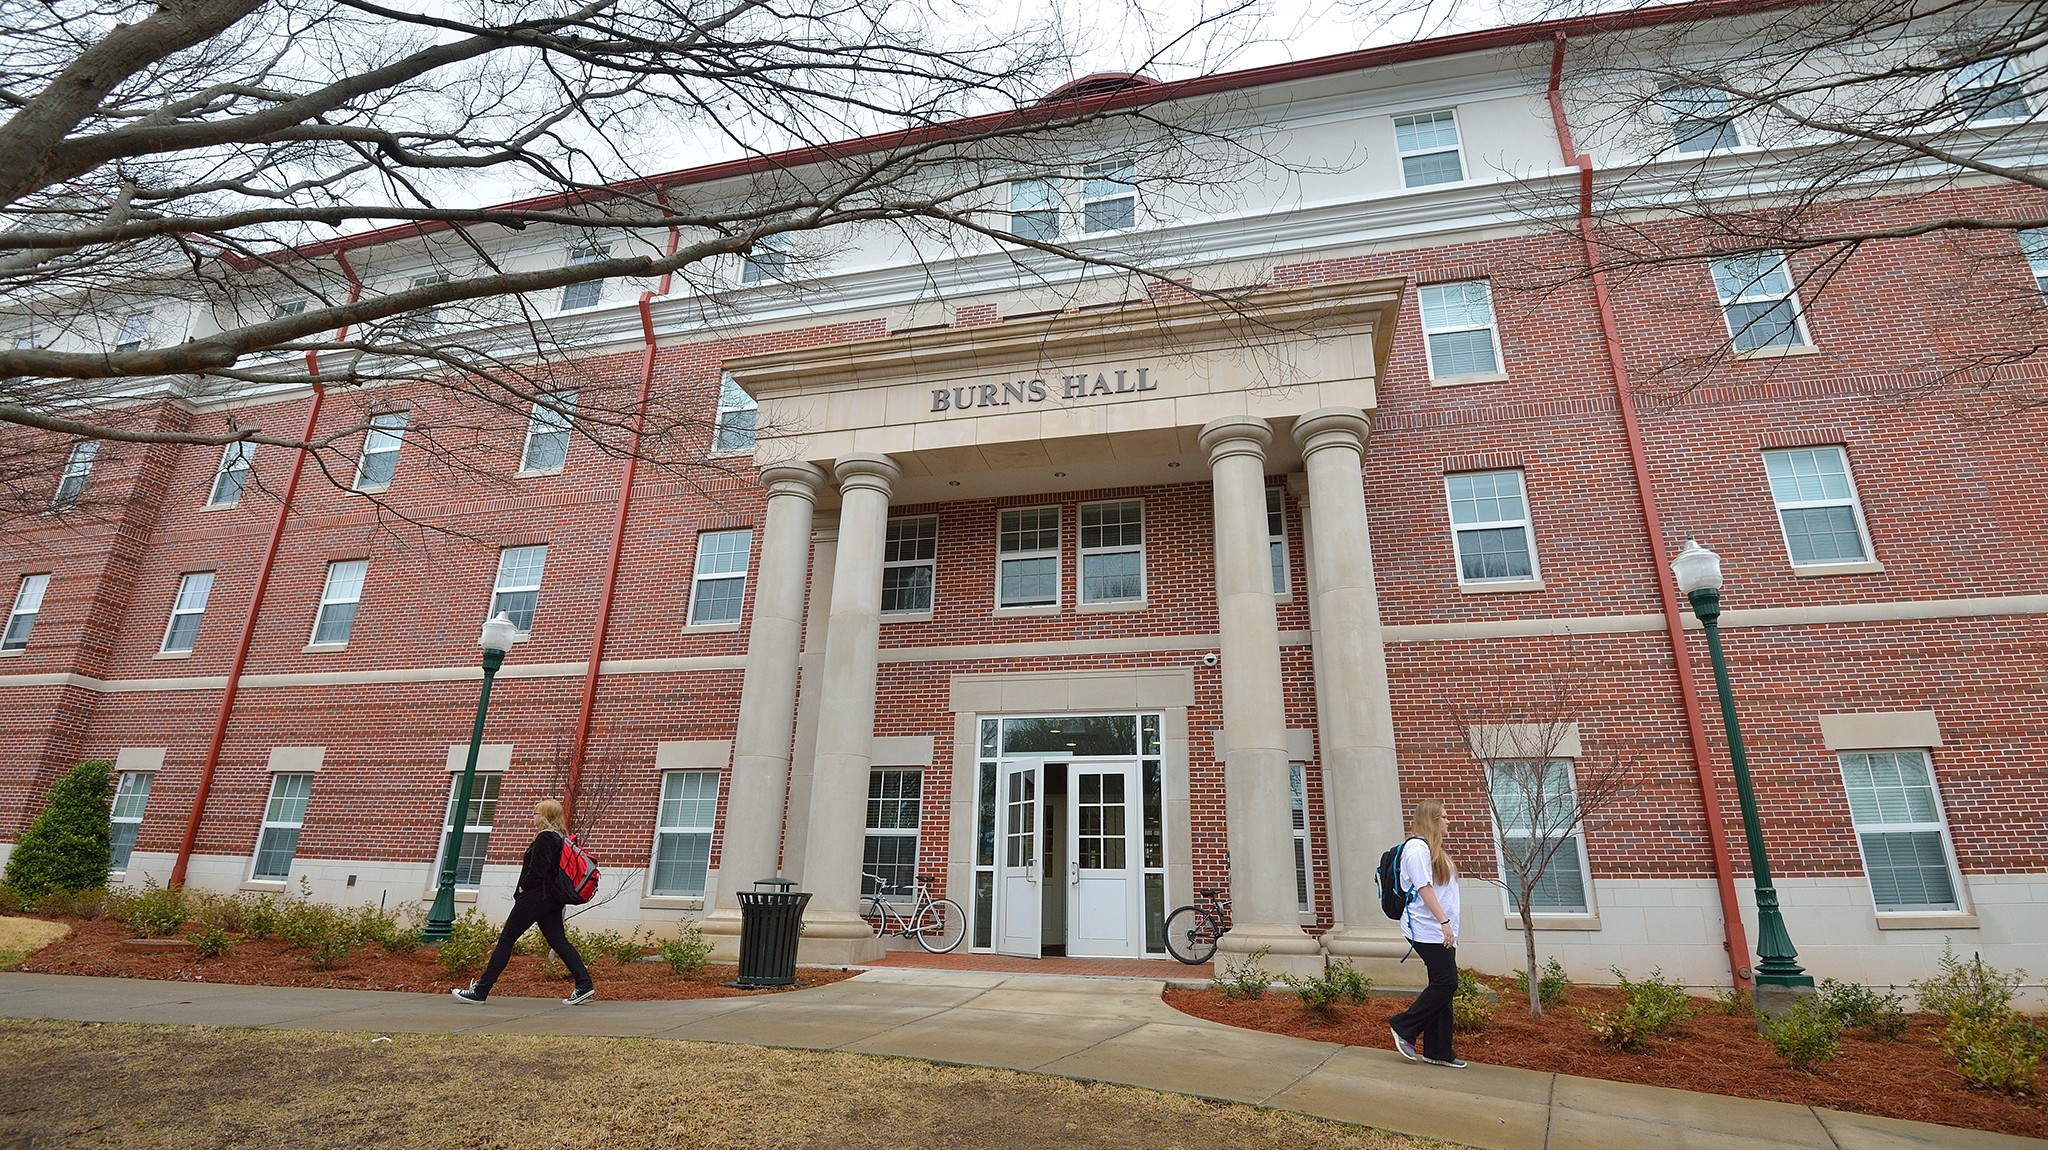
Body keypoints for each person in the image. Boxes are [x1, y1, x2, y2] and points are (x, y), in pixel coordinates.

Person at [452, 799, 596, 1005]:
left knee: (506, 940)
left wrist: (523, 887)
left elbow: (538, 871)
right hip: (551, 899)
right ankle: (584, 985)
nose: (533, 816)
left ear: (545, 816)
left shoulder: (545, 837)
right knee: (559, 941)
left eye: (536, 813)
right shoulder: (559, 838)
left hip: (535, 897)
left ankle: (480, 991)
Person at [1388, 799, 1465, 1068]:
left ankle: (1438, 1050)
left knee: (1441, 987)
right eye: (1443, 817)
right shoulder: (1417, 849)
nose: (1448, 822)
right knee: (1447, 983)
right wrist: (1443, 922)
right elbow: (1424, 889)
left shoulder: (1432, 851)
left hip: (1440, 930)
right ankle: (1403, 1026)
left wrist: (1448, 925)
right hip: (1426, 929)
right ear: (1431, 821)